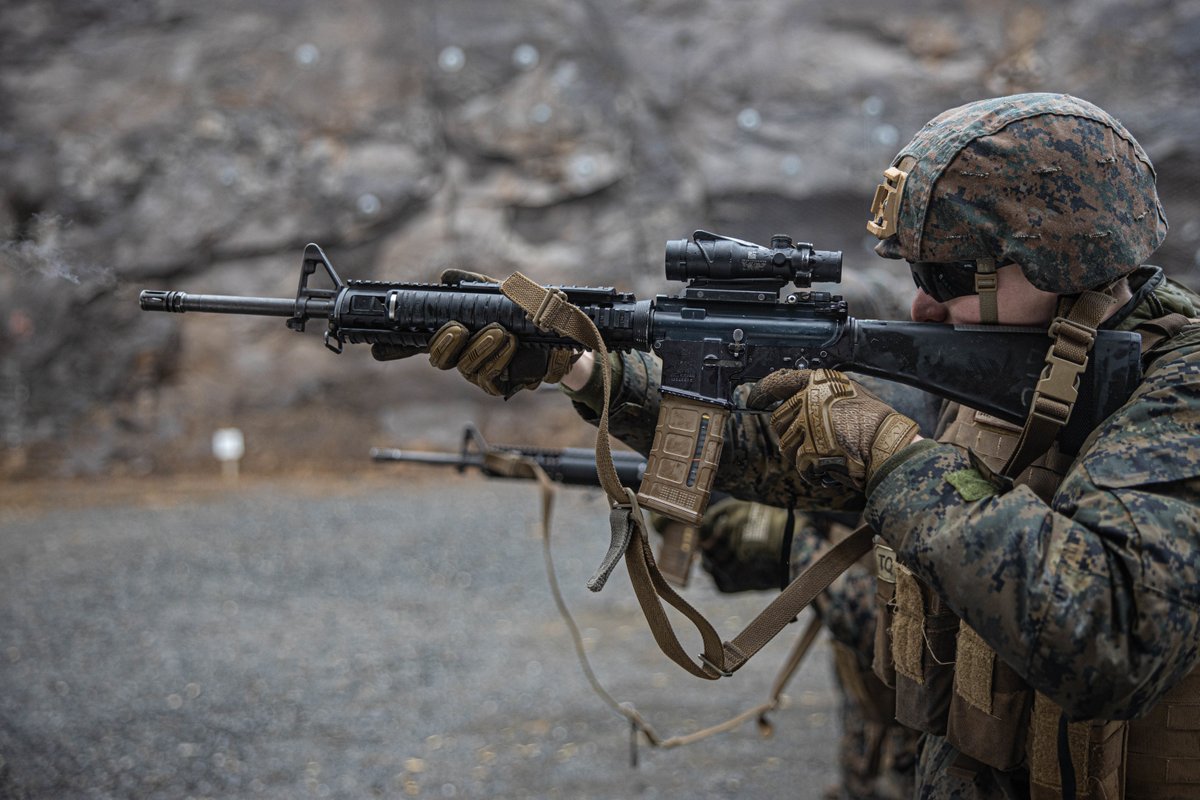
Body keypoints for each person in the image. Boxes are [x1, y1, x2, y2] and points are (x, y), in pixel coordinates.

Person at [380, 93, 1200, 799]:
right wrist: (583, 367)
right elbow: (776, 454)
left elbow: (1113, 636)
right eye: (917, 275)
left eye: (949, 278)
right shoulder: (1019, 360)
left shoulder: (1179, 387)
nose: (922, 306)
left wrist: (893, 457)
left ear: (1062, 257)